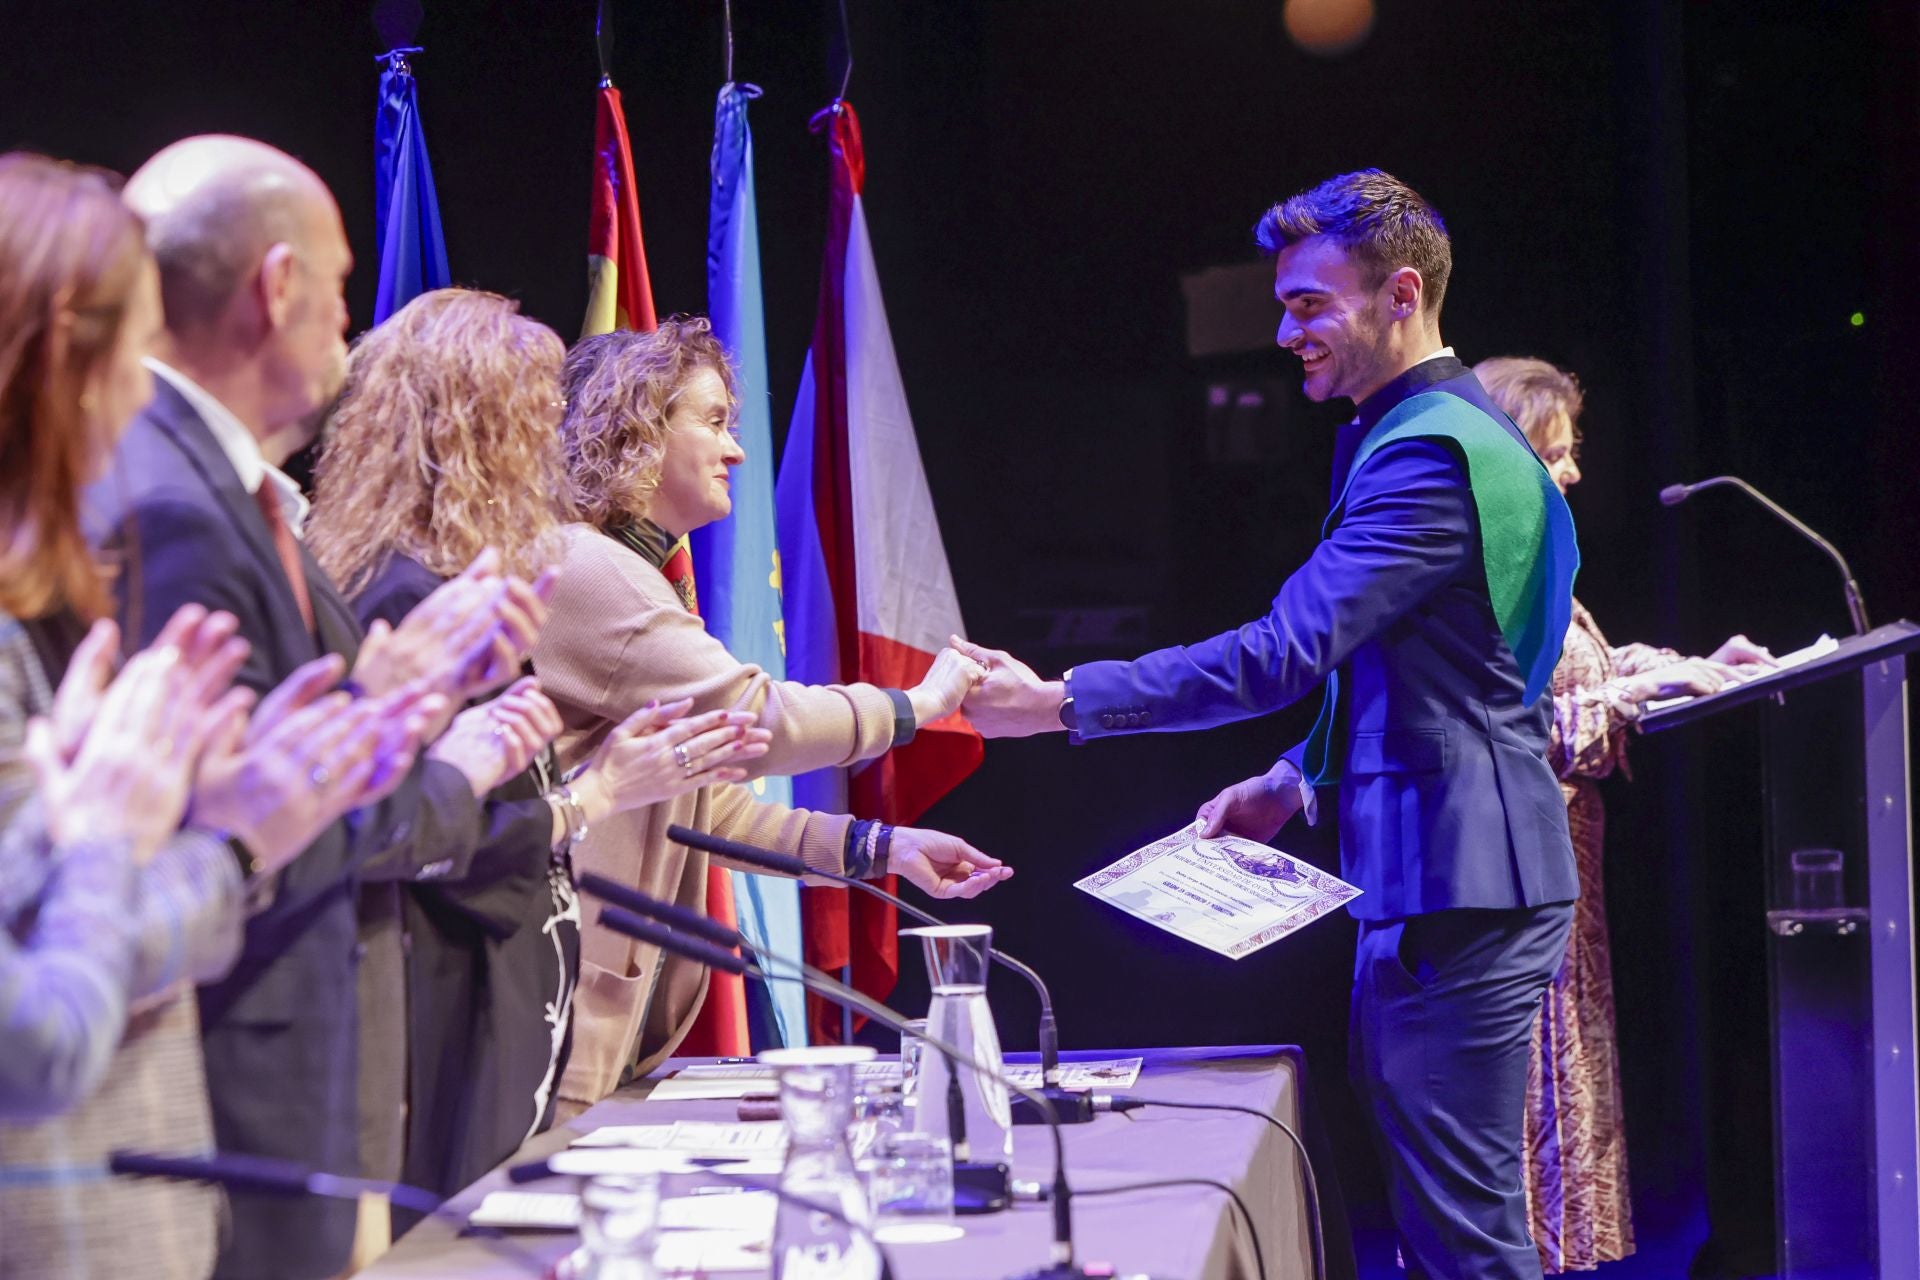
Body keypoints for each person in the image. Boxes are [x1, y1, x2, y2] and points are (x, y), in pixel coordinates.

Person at [958, 170, 1582, 1280]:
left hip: (1461, 880)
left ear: (1401, 293)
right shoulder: (1427, 431)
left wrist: (1058, 701)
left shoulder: (1429, 452)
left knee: (1470, 1238)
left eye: (1308, 303)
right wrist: (1296, 780)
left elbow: (1282, 652)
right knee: (1448, 1222)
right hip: (1441, 872)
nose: (1284, 331)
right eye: (1282, 302)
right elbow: (1433, 670)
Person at [88, 134, 552, 1279]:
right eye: (340, 290)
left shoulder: (219, 488)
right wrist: (450, 755)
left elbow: (291, 768)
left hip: (298, 1070)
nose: (350, 329)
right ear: (276, 284)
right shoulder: (173, 504)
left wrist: (397, 695)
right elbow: (261, 828)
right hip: (241, 1094)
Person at [0, 151, 437, 1278]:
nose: (141, 392)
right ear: (54, 353)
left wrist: (217, 822)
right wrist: (186, 834)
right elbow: (35, 1036)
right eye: (124, 351)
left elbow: (56, 926)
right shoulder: (154, 506)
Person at [306, 287, 773, 1199]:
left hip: (507, 1002)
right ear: (469, 427)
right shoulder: (408, 596)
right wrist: (592, 796)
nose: (553, 448)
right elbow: (413, 837)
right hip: (452, 1008)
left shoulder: (456, 580)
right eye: (532, 418)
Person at [533, 318, 1011, 1115]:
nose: (737, 452)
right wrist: (917, 706)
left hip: (600, 1031)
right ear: (636, 430)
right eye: (715, 422)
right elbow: (757, 719)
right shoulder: (587, 567)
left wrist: (880, 845)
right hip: (557, 1029)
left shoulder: (629, 570)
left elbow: (704, 808)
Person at [1473, 355, 1774, 1273]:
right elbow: (1529, 729)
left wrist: (1692, 660)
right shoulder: (1479, 566)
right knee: (1528, 1099)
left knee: (1564, 1089)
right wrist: (1656, 689)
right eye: (1556, 454)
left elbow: (1583, 670)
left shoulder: (1535, 562)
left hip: (1565, 877)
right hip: (1515, 873)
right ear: (1513, 454)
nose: (1572, 472)